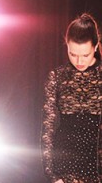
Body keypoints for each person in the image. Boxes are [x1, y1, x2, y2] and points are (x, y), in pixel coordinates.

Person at [42, 13, 102, 183]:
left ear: (96, 47)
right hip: (65, 168)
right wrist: (52, 175)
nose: (79, 61)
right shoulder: (57, 77)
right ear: (66, 45)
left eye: (85, 55)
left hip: (97, 167)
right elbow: (48, 127)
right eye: (73, 54)